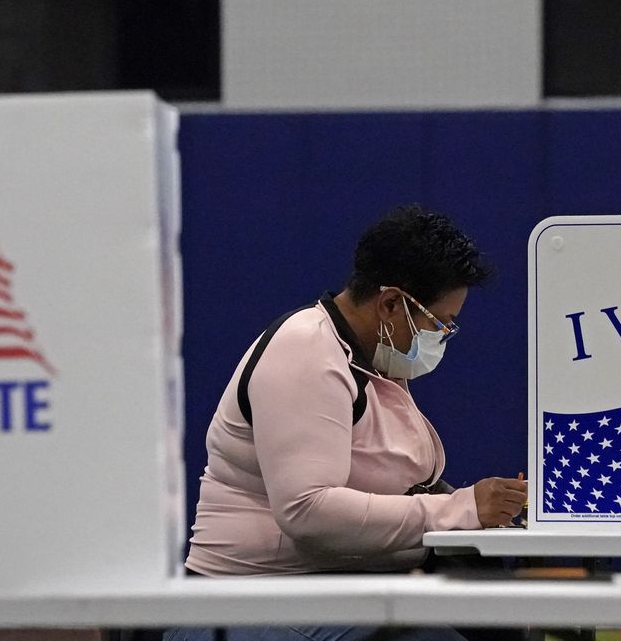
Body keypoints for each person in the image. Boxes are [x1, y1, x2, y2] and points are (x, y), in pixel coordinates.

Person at [177, 205, 527, 641]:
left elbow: (395, 486)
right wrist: (462, 509)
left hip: (325, 586)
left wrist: (486, 505)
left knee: (499, 621)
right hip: (245, 602)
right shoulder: (307, 351)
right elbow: (308, 511)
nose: (442, 337)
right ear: (391, 304)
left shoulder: (373, 361)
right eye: (441, 323)